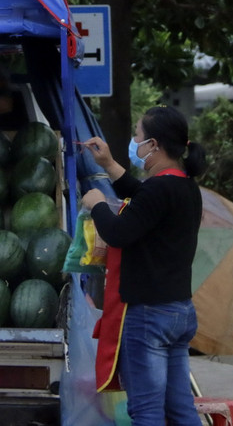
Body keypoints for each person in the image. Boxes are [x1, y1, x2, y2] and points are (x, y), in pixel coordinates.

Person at [80, 106, 208, 426]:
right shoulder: (185, 186)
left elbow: (118, 234)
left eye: (137, 135)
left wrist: (96, 205)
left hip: (149, 317)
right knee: (181, 411)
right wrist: (109, 164)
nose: (133, 140)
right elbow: (142, 197)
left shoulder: (159, 189)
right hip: (179, 312)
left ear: (153, 145)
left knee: (146, 412)